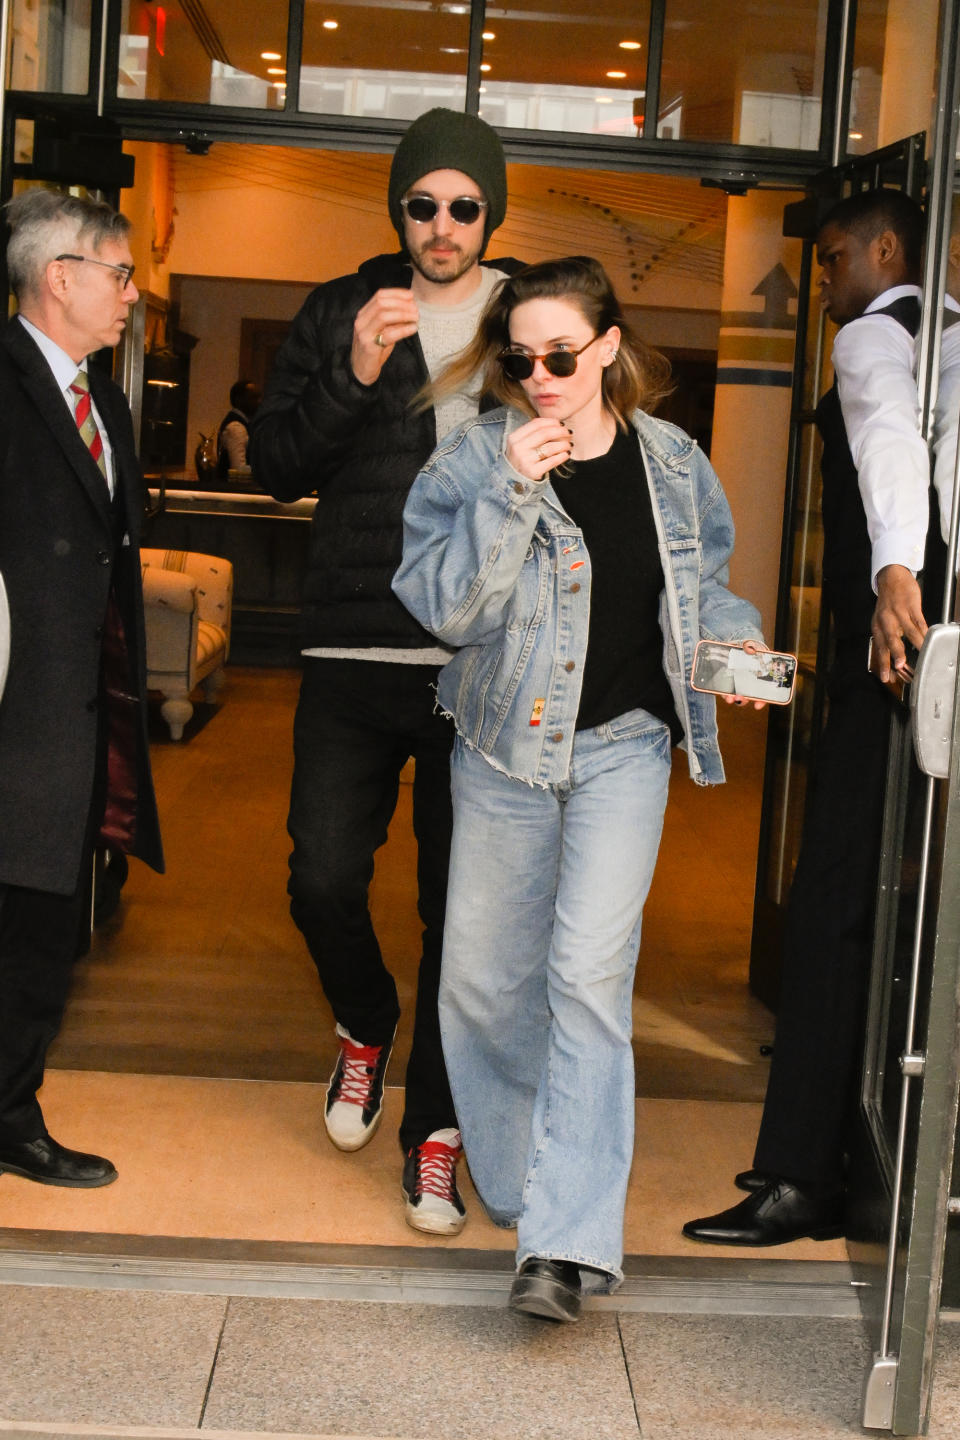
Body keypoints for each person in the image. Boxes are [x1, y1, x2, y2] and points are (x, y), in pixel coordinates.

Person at [393, 255, 765, 1321]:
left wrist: (733, 653)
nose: (541, 374)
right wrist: (511, 487)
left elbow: (704, 588)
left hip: (624, 754)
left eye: (562, 354)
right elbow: (445, 608)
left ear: (608, 348)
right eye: (522, 357)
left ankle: (559, 1244)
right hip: (506, 750)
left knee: (588, 981)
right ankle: (523, 1191)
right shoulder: (478, 456)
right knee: (479, 985)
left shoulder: (674, 463)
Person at [249, 107, 522, 1235]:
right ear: (398, 210)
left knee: (465, 918)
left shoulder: (532, 315)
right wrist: (355, 368)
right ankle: (365, 1025)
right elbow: (274, 465)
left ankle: (436, 1141)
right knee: (321, 877)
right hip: (355, 646)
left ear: (489, 213)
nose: (443, 225)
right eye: (424, 204)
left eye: (464, 206)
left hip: (483, 669)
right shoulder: (341, 308)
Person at [683, 188, 929, 1248]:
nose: (825, 287)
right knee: (903, 917)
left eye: (833, 261)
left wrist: (893, 573)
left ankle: (799, 1179)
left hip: (889, 656)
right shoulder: (954, 339)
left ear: (886, 249)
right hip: (936, 662)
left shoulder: (880, 337)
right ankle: (866, 1160)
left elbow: (887, 447)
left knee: (831, 907)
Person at [0, 189, 163, 1188]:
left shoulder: (97, 395)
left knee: (44, 932)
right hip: (13, 709)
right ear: (61, 277)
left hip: (73, 711)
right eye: (119, 274)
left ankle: (11, 1111)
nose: (133, 295)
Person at [216, 379, 261, 477]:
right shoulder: (236, 427)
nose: (259, 401)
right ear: (239, 400)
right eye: (253, 398)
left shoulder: (241, 424)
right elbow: (239, 471)